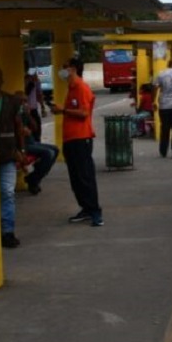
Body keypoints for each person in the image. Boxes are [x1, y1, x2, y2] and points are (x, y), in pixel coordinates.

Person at [51, 57, 102, 227]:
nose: (62, 70)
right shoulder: (71, 88)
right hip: (71, 139)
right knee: (76, 178)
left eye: (65, 67)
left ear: (73, 69)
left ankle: (95, 212)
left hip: (81, 138)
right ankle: (86, 208)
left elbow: (83, 113)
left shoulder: (81, 87)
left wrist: (63, 110)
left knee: (85, 176)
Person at [0, 68, 27, 249]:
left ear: (2, 80)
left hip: (8, 155)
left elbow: (18, 126)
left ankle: (7, 232)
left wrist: (21, 150)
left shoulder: (11, 102)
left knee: (7, 193)